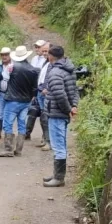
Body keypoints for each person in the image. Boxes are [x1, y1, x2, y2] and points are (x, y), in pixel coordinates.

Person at [42, 45, 79, 187]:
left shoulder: (55, 72)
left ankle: (59, 178)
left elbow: (60, 94)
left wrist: (68, 109)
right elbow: (74, 90)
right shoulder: (69, 69)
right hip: (62, 112)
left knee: (58, 145)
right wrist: (74, 106)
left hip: (57, 113)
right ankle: (57, 175)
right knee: (61, 143)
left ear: (51, 56)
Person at [0, 45, 39, 157]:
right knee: (22, 124)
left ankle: (8, 149)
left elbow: (4, 80)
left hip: (12, 100)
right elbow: (35, 88)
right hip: (26, 101)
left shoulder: (11, 67)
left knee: (8, 123)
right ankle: (19, 150)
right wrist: (32, 96)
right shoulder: (33, 70)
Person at [26, 41, 51, 149]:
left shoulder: (51, 63)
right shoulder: (38, 60)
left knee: (45, 116)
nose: (44, 52)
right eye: (43, 50)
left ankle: (48, 141)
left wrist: (47, 88)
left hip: (45, 92)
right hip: (38, 90)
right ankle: (44, 139)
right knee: (39, 115)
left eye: (46, 50)